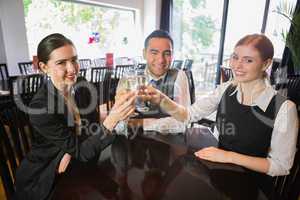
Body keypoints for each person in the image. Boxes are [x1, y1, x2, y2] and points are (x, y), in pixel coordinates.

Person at [142, 34, 298, 195]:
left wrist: (229, 156)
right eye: (235, 57)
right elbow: (188, 115)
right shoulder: (226, 89)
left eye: (248, 60)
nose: (237, 65)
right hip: (221, 176)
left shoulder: (284, 108)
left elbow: (281, 166)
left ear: (266, 64)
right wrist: (161, 99)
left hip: (253, 188)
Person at [14, 33, 136, 200]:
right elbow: (84, 149)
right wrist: (111, 120)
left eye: (74, 60)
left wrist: (72, 151)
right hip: (47, 176)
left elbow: (89, 132)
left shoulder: (81, 86)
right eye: (61, 63)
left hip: (79, 164)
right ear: (44, 67)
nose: (72, 69)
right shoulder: (40, 106)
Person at [116, 29, 191, 134]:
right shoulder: (130, 78)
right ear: (144, 53)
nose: (161, 60)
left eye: (167, 53)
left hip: (168, 141)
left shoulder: (179, 76)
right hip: (135, 140)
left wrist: (140, 122)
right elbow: (119, 124)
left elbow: (183, 121)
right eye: (154, 52)